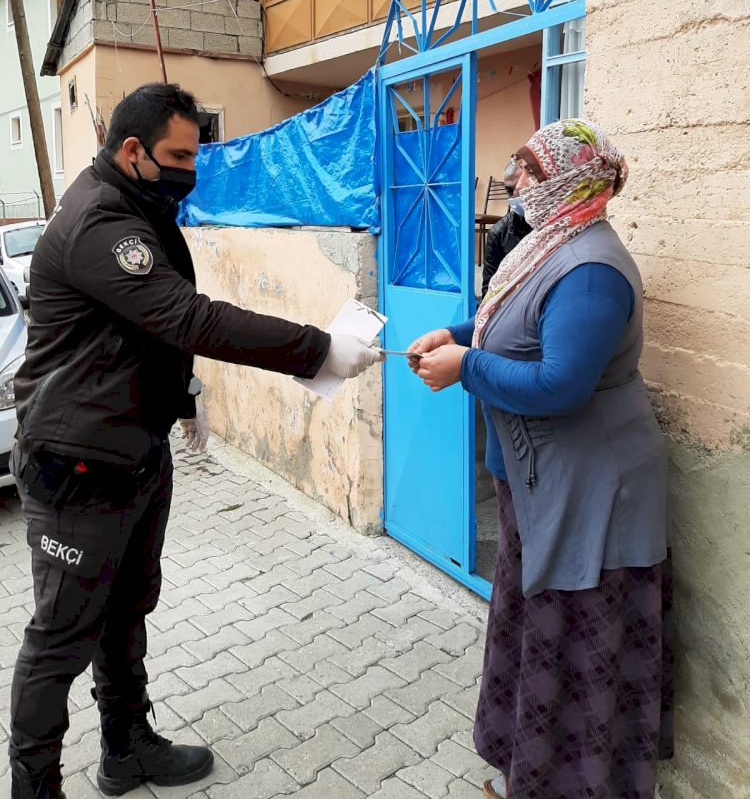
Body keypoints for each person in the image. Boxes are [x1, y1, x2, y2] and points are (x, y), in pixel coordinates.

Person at [8, 83, 381, 799]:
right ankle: (35, 787)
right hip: (76, 462)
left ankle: (126, 747)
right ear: (132, 151)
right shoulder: (99, 223)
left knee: (125, 609)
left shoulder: (138, 206)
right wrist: (317, 349)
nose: (190, 170)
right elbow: (193, 320)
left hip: (133, 452)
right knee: (60, 638)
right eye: (178, 156)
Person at [408, 119, 672, 799]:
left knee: (581, 646)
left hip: (593, 492)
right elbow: (513, 317)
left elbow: (560, 385)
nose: (516, 183)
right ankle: (528, 777)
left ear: (569, 181)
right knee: (535, 636)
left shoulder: (592, 271)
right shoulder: (548, 246)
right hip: (538, 483)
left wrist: (465, 365)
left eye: (528, 171)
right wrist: (460, 333)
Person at [480, 160, 531, 299]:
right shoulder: (499, 233)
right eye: (509, 190)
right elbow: (488, 292)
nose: (515, 194)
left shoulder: (558, 225)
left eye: (521, 187)